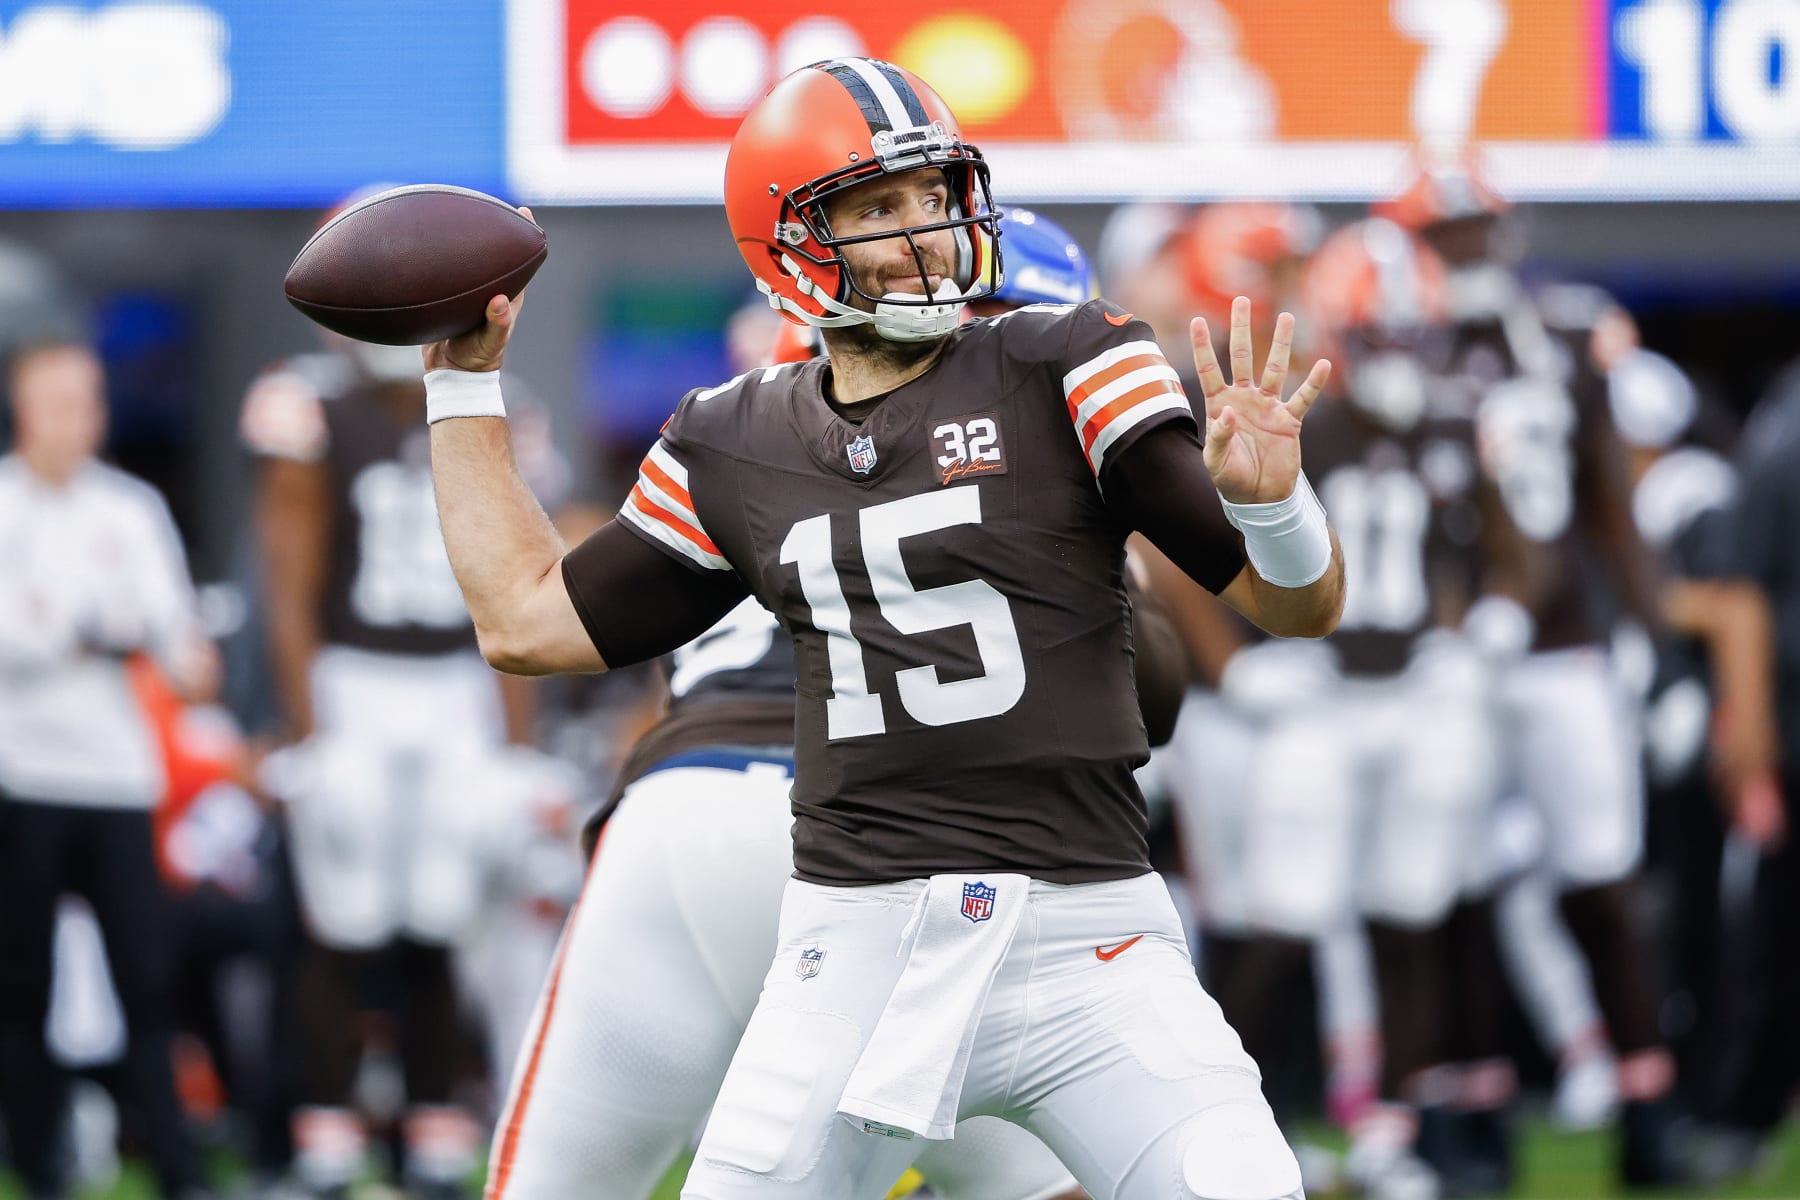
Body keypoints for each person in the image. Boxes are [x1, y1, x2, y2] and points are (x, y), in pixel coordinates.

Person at [418, 57, 1342, 1200]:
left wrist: (1271, 505)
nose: (926, 234)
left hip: (1088, 938)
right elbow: (527, 622)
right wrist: (463, 391)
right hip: (851, 948)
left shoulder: (1068, 359)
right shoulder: (730, 435)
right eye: (877, 208)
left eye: (935, 197)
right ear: (790, 244)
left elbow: (1295, 605)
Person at [484, 204, 1188, 1200]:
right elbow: (1148, 704)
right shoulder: (1030, 418)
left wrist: (457, 382)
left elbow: (573, 626)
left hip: (684, 816)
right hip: (901, 849)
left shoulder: (760, 405)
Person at [1380, 154, 1686, 1188]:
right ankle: (1469, 1113)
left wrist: (1661, 646)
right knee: (1450, 885)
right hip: (1448, 654)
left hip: (1563, 651)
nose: (1464, 253)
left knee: (1602, 878)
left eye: (1474, 232)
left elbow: (1610, 500)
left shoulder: (1558, 337)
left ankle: (1647, 1107)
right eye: (1443, 236)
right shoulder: (1399, 347)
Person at [240, 327, 573, 1199]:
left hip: (460, 683)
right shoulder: (306, 402)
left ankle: (431, 1133)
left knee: (445, 917)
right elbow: (289, 581)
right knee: (340, 923)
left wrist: (516, 746)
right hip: (353, 680)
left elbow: (522, 578)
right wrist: (308, 731)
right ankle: (327, 1139)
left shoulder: (498, 400)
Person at [0, 338, 217, 1199]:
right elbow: (22, 638)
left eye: (89, 400)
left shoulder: (130, 508)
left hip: (120, 782)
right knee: (23, 988)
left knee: (146, 982)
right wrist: (99, 624)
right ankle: (40, 1165)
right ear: (23, 407)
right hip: (22, 777)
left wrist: (89, 623)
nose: (77, 419)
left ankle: (177, 1168)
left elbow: (176, 643)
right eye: (58, 401)